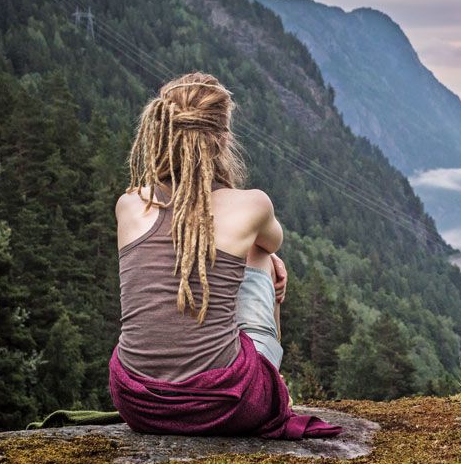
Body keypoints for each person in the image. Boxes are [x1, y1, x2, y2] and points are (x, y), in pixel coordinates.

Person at [108, 71, 341, 439]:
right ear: (222, 139)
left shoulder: (130, 205)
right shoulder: (252, 205)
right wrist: (261, 255)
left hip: (137, 401)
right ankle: (272, 384)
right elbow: (271, 241)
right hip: (224, 404)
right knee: (261, 255)